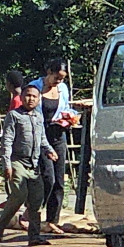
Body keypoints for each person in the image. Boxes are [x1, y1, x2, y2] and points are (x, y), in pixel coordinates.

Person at [0, 85, 58, 247]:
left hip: (33, 164)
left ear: (39, 99)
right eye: (27, 96)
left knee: (36, 200)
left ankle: (34, 236)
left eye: (34, 97)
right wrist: (7, 164)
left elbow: (42, 139)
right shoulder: (14, 116)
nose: (31, 99)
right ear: (21, 98)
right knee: (19, 196)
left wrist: (49, 150)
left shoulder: (38, 117)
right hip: (17, 162)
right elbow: (6, 141)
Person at [29, 58, 76, 234]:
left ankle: (52, 220)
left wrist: (70, 117)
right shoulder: (34, 87)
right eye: (57, 77)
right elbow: (28, 109)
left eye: (62, 78)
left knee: (59, 180)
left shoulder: (63, 89)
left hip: (59, 134)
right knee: (48, 178)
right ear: (48, 72)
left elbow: (67, 108)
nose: (59, 81)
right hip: (41, 135)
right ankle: (32, 211)